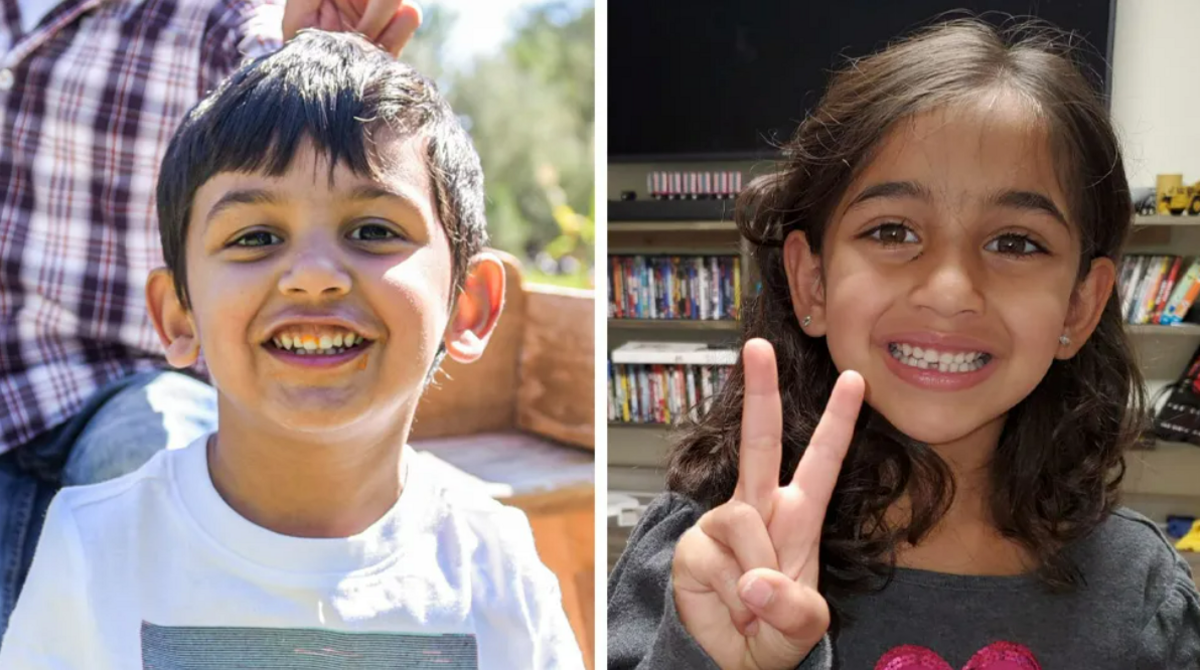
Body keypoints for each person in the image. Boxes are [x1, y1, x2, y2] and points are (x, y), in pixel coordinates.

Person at [607, 19, 1200, 670]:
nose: (950, 291)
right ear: (812, 282)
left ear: (1080, 305)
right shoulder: (706, 564)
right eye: (892, 232)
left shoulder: (1140, 591)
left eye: (1015, 242)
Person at [0, 30, 583, 669]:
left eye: (373, 230)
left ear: (468, 306)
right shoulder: (93, 542)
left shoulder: (496, 558)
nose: (312, 274)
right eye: (254, 237)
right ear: (177, 315)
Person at [0, 0, 417, 638]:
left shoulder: (207, 16)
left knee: (163, 470)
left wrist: (313, 63)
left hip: (127, 373)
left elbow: (264, 74)